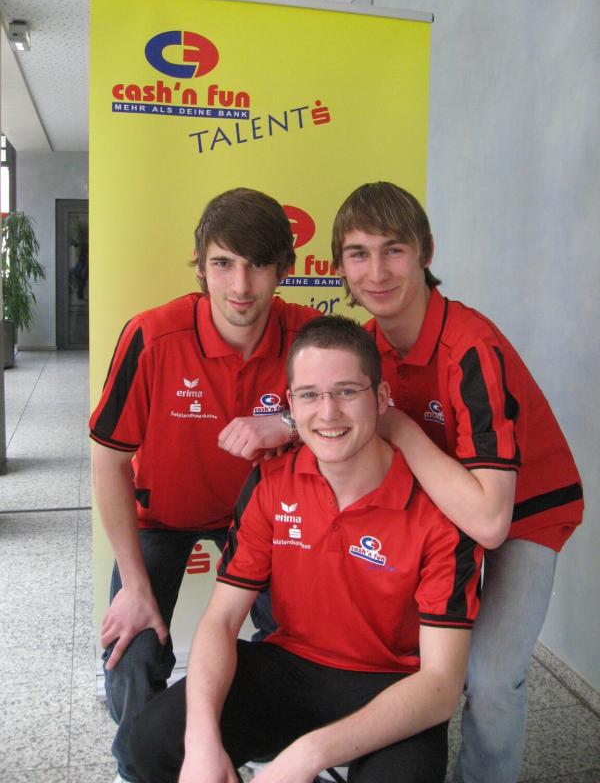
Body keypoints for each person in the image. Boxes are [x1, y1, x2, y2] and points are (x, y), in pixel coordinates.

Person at [128, 315, 483, 783]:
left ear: (381, 398)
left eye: (347, 391)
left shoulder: (439, 511)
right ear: (291, 404)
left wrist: (307, 755)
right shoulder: (271, 484)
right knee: (148, 744)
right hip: (288, 666)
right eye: (310, 395)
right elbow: (221, 621)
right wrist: (200, 740)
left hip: (391, 683)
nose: (328, 413)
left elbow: (440, 685)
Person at [330, 182, 584, 783]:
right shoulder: (365, 346)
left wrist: (398, 427)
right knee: (387, 648)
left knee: (490, 677)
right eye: (359, 253)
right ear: (339, 266)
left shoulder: (470, 345)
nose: (376, 272)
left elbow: (492, 522)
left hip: (525, 513)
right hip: (443, 507)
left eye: (394, 250)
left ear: (426, 252)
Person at [89, 188, 318, 783]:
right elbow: (108, 460)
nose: (240, 285)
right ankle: (146, 766)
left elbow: (368, 410)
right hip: (164, 518)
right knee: (132, 649)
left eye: (258, 265)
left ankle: (267, 748)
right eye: (223, 264)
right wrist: (133, 585)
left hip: (267, 520)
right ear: (199, 266)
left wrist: (289, 422)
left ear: (285, 268)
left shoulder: (312, 337)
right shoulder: (152, 335)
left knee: (303, 643)